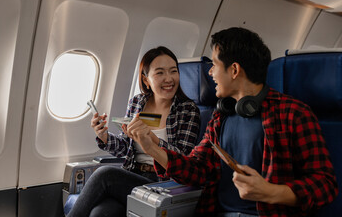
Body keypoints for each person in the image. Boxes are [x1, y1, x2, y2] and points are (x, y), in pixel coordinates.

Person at [126, 27, 338, 217]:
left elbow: (325, 184)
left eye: (215, 65)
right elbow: (197, 170)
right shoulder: (221, 116)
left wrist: (271, 192)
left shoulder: (293, 113)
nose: (210, 72)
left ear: (234, 70)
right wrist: (152, 148)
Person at [67, 46, 200, 217]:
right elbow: (126, 148)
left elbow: (184, 159)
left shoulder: (188, 110)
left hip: (163, 184)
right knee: (100, 214)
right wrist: (104, 136)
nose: (169, 78)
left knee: (104, 174)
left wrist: (153, 140)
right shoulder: (137, 103)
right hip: (132, 175)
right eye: (160, 73)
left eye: (173, 71)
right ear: (146, 80)